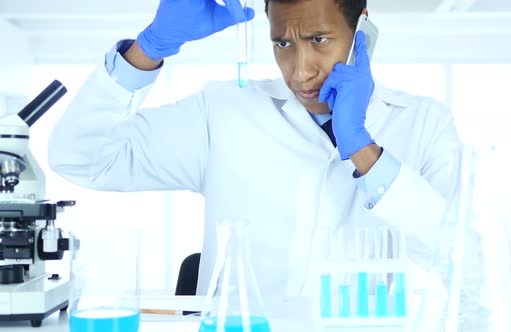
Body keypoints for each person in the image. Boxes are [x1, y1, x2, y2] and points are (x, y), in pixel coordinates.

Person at [48, 0, 461, 296]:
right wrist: (149, 47)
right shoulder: (222, 113)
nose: (300, 71)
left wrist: (362, 147)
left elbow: (455, 263)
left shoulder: (424, 124)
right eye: (283, 43)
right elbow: (82, 157)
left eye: (319, 39)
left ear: (362, 30)